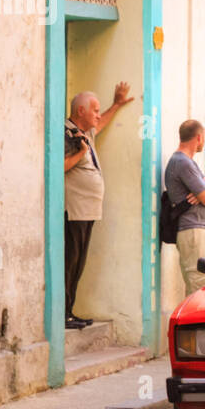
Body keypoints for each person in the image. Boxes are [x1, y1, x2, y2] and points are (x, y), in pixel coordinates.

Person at [64, 83, 136, 329]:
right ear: (81, 110)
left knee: (78, 262)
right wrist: (80, 151)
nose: (97, 114)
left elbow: (101, 122)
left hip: (87, 211)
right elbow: (60, 166)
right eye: (94, 110)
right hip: (73, 210)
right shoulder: (68, 133)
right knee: (70, 261)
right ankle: (63, 313)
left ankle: (69, 311)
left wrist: (116, 104)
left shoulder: (87, 131)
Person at [165, 120, 205, 296]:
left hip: (203, 229)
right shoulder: (182, 162)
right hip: (193, 231)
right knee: (200, 287)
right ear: (199, 137)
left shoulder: (188, 163)